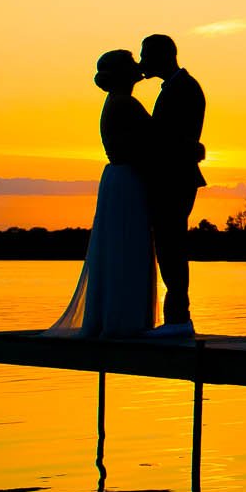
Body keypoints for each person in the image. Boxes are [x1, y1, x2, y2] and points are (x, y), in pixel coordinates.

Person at [49, 49, 158, 336]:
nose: (139, 66)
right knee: (127, 244)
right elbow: (155, 140)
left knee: (120, 246)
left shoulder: (116, 102)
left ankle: (117, 316)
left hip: (118, 179)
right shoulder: (125, 104)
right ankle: (125, 321)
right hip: (127, 181)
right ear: (124, 73)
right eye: (132, 63)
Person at [139, 33, 207, 336]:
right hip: (173, 177)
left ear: (164, 55)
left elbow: (172, 138)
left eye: (146, 55)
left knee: (172, 246)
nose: (142, 62)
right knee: (169, 246)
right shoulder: (178, 87)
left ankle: (179, 318)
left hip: (175, 179)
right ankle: (176, 318)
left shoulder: (184, 88)